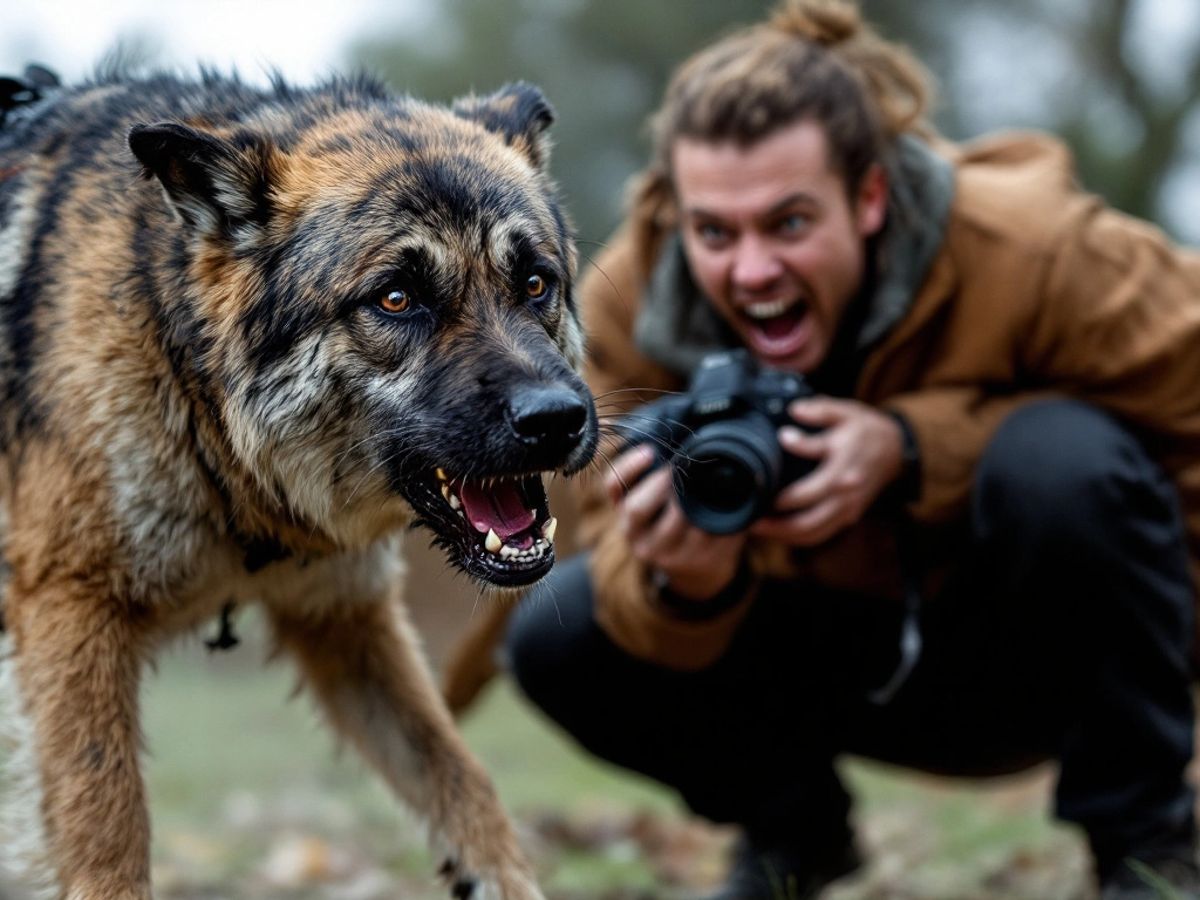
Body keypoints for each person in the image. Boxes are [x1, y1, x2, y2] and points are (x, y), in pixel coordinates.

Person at [501, 1, 1200, 897]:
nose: (751, 270)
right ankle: (795, 836)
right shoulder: (625, 301)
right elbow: (608, 543)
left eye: (788, 224)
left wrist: (918, 447)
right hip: (812, 660)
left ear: (869, 195)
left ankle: (1146, 845)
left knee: (1060, 460)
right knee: (563, 632)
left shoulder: (1039, 251)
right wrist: (684, 583)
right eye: (716, 232)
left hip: (1038, 651)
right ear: (676, 214)